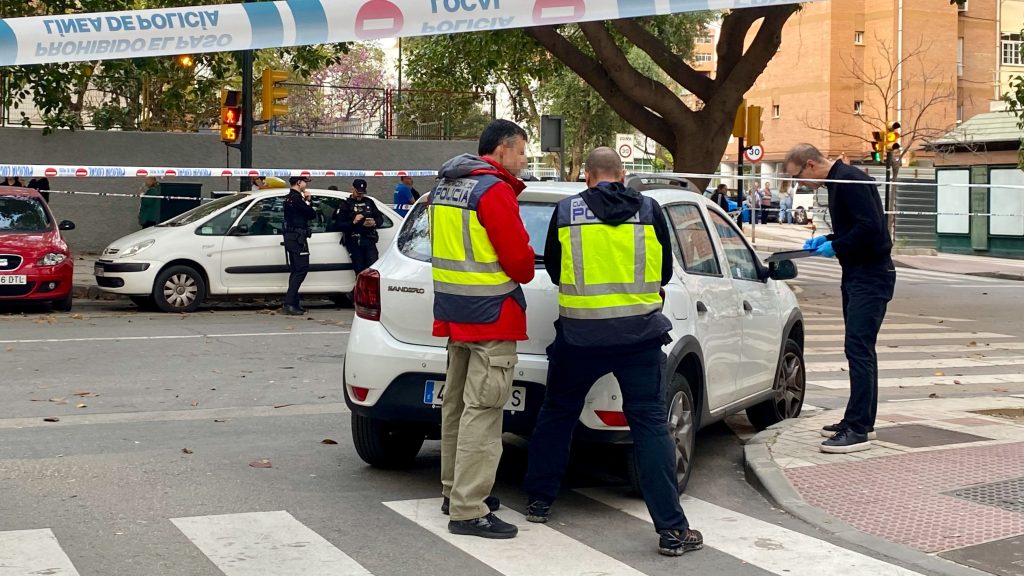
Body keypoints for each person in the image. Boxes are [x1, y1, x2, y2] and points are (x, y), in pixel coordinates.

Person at [523, 147, 702, 557]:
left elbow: (556, 270)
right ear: (622, 175)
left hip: (579, 336)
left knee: (557, 414)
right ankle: (672, 531)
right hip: (639, 337)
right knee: (651, 426)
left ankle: (538, 502)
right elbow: (663, 271)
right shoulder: (650, 210)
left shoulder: (567, 212)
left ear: (587, 177)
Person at [430, 119, 535, 539]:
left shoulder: (445, 186)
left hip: (455, 312)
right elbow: (521, 265)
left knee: (455, 406)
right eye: (522, 152)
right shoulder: (493, 191)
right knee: (484, 413)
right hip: (492, 314)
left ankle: (454, 491)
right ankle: (469, 509)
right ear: (503, 149)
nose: (524, 160)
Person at [784, 143, 895, 454]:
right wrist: (831, 239)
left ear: (809, 165)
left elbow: (871, 229)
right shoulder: (837, 182)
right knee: (859, 349)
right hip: (858, 273)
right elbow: (858, 227)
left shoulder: (849, 180)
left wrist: (836, 246)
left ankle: (857, 429)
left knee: (858, 349)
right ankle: (860, 421)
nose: (799, 183)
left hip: (871, 275)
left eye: (797, 176)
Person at [332, 178, 383, 276]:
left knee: (373, 268)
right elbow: (338, 225)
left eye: (362, 193)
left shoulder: (369, 202)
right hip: (354, 241)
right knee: (360, 269)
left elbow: (380, 218)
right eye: (358, 192)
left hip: (369, 239)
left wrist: (374, 222)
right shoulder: (345, 205)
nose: (360, 195)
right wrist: (353, 222)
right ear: (352, 189)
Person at [282, 175, 317, 316]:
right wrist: (308, 201)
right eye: (304, 182)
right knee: (302, 269)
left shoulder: (288, 198)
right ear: (298, 183)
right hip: (297, 238)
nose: (306, 185)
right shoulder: (297, 199)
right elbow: (311, 214)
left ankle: (294, 302)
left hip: (292, 236)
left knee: (296, 269)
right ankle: (289, 303)